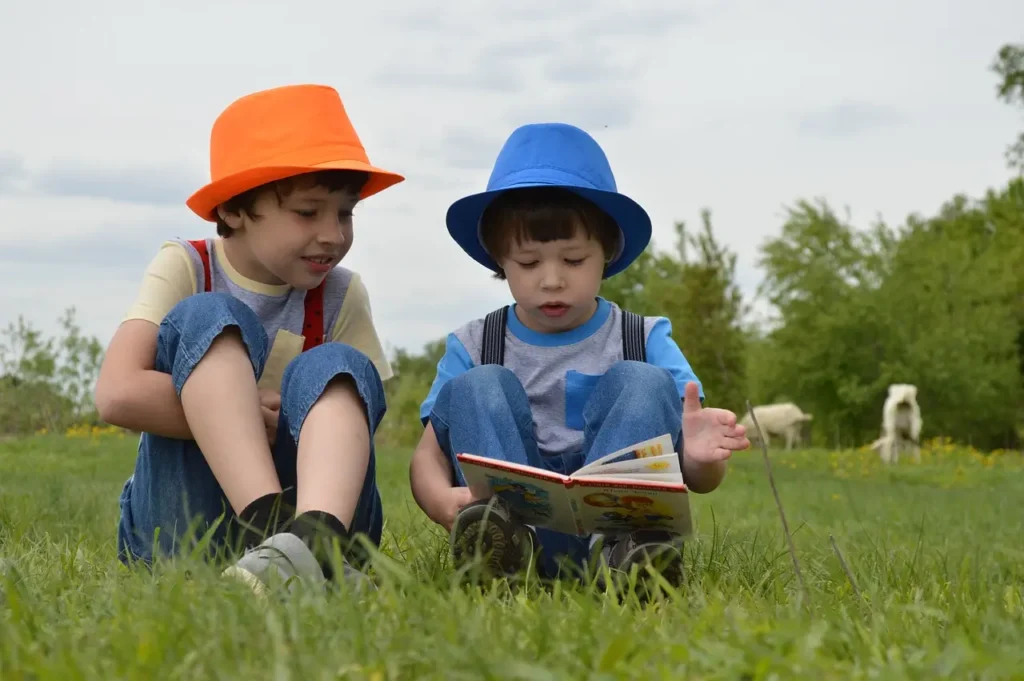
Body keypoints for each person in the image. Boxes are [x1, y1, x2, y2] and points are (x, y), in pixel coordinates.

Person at [408, 122, 750, 589]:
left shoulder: (644, 337)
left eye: (573, 261)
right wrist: (439, 501)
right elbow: (427, 455)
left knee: (643, 381)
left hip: (617, 525)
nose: (551, 280)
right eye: (528, 264)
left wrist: (701, 458)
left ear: (606, 252)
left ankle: (628, 558)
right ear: (499, 259)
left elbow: (699, 476)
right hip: (513, 524)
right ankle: (500, 556)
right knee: (478, 385)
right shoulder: (473, 343)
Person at [94, 84, 404, 594]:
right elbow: (117, 393)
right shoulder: (187, 266)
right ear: (235, 209)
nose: (333, 234)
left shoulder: (342, 293)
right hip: (187, 527)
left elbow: (361, 412)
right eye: (309, 212)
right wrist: (239, 414)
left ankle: (316, 542)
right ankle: (277, 537)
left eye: (346, 213)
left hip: (320, 509)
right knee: (209, 315)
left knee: (338, 365)